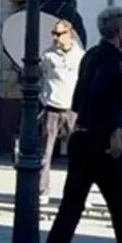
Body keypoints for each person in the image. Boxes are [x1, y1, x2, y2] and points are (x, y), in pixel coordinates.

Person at [40, 6, 122, 243]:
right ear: (121, 32)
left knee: (70, 211)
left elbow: (78, 100)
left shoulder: (89, 55)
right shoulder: (112, 60)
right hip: (101, 146)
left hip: (82, 139)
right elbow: (98, 96)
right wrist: (112, 129)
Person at [38, 19, 84, 204]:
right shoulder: (48, 56)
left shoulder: (80, 55)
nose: (55, 37)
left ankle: (78, 192)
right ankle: (43, 191)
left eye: (59, 34)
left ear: (69, 33)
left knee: (79, 154)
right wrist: (44, 98)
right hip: (52, 107)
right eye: (53, 33)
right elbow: (42, 77)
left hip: (73, 109)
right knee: (45, 153)